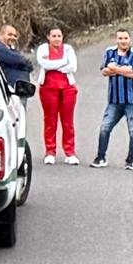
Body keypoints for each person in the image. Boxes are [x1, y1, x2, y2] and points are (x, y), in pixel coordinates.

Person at [92, 31, 133, 166]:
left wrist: (114, 68)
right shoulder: (109, 52)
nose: (123, 41)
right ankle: (100, 157)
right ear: (116, 40)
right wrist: (123, 69)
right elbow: (104, 71)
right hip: (114, 100)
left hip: (132, 100)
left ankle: (130, 161)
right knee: (104, 128)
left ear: (130, 40)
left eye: (126, 38)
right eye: (120, 38)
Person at [34, 26, 80, 162]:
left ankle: (70, 152)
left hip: (67, 88)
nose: (57, 39)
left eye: (59, 36)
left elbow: (72, 66)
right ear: (48, 37)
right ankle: (50, 151)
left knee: (68, 121)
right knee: (50, 120)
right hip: (48, 87)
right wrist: (62, 63)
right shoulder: (43, 49)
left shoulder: (68, 49)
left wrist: (54, 64)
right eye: (54, 36)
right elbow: (44, 64)